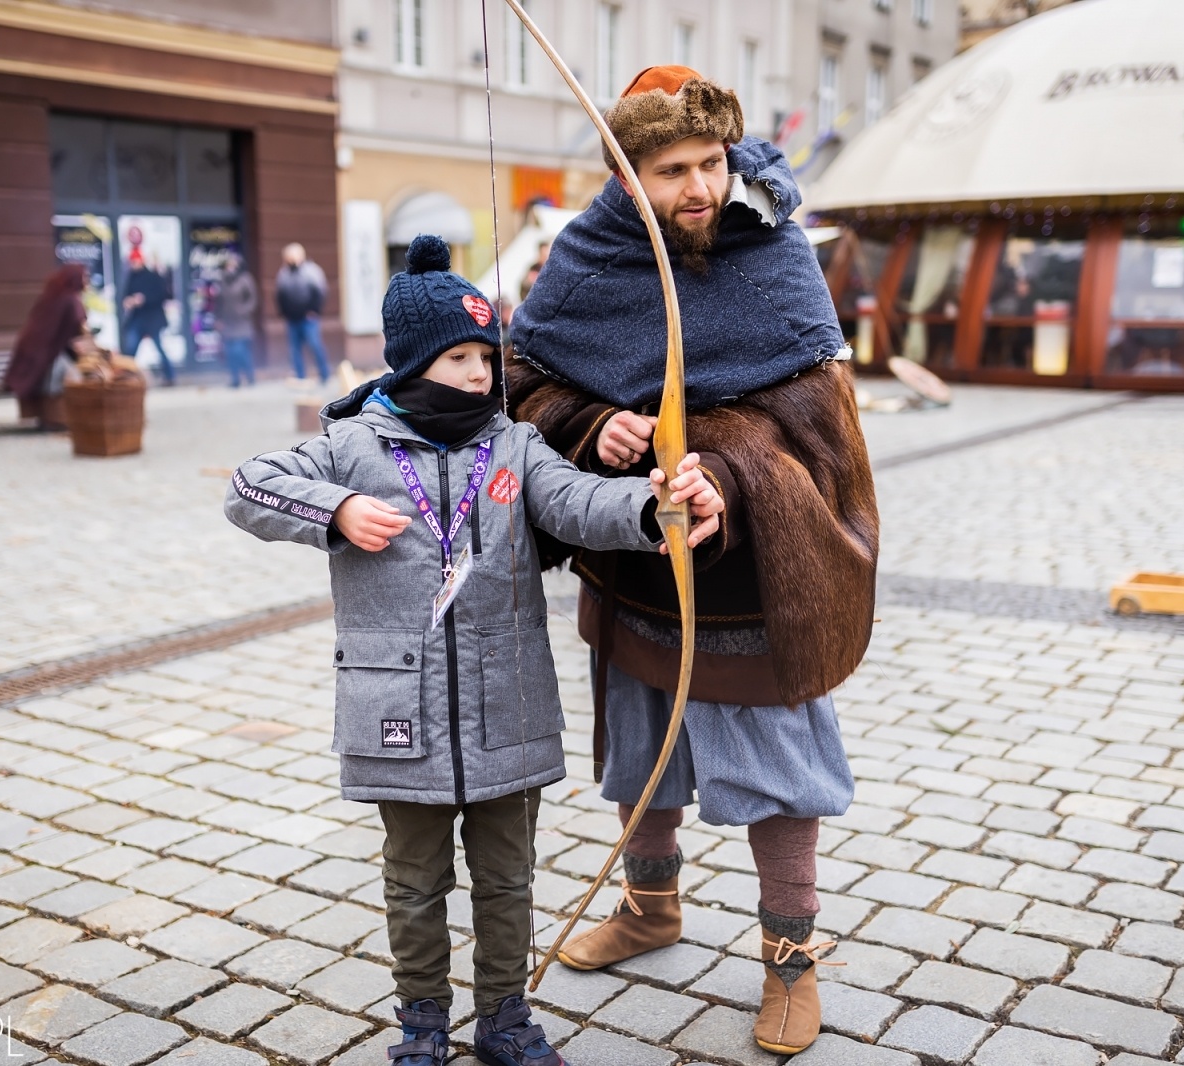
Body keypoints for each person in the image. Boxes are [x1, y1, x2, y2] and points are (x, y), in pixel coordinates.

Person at [225, 234, 721, 1066]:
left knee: (508, 880)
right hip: (399, 712)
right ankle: (421, 1022)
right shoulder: (352, 446)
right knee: (414, 884)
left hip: (506, 708)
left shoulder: (514, 444)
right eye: (457, 356)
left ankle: (504, 1016)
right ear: (413, 360)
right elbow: (248, 485)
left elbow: (579, 502)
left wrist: (652, 505)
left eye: (485, 357)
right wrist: (339, 511)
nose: (478, 374)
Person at [507, 66, 880, 1056]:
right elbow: (525, 389)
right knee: (644, 753)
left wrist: (726, 468)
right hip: (637, 563)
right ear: (627, 177)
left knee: (779, 775)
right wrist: (596, 425)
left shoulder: (772, 245)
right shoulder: (588, 255)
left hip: (754, 573)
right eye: (671, 170)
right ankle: (649, 909)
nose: (700, 189)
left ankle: (790, 965)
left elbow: (821, 424)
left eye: (710, 163)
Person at [4, 263, 88, 430]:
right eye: (85, 277)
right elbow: (78, 328)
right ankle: (61, 417)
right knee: (74, 376)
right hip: (46, 357)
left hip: (35, 357)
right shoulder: (70, 299)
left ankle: (49, 416)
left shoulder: (51, 295)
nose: (87, 281)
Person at [276, 242, 331, 385]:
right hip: (292, 318)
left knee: (315, 345)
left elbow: (320, 292)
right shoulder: (284, 273)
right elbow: (280, 294)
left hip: (308, 318)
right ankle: (300, 376)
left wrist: (314, 310)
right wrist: (284, 312)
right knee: (294, 349)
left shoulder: (311, 271)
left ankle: (324, 374)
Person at [121, 259, 174, 386]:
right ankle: (125, 376)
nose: (133, 265)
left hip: (152, 319)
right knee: (131, 349)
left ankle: (170, 376)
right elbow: (126, 294)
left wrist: (144, 299)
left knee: (159, 349)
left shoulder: (153, 277)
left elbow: (163, 295)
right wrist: (129, 301)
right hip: (137, 318)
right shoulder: (132, 277)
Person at [218, 253, 259, 388]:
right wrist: (218, 318)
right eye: (228, 265)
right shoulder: (222, 280)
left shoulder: (245, 279)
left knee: (240, 350)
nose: (230, 268)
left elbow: (253, 299)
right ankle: (235, 379)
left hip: (242, 321)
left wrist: (244, 311)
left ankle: (250, 376)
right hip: (228, 321)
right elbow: (218, 302)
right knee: (230, 352)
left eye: (233, 265)